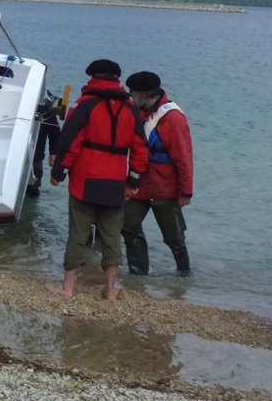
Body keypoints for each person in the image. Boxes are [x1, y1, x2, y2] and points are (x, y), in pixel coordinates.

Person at [49, 59, 149, 300]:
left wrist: (58, 173)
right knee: (112, 237)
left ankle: (68, 287)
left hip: (85, 181)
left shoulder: (83, 105)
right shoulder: (131, 109)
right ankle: (111, 290)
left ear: (92, 77)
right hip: (115, 183)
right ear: (117, 79)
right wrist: (134, 182)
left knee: (78, 234)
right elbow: (140, 149)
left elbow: (70, 142)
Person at [121, 71, 194, 276]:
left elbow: (184, 157)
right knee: (127, 225)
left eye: (132, 93)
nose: (130, 96)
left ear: (143, 94)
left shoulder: (173, 118)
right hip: (141, 186)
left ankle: (184, 273)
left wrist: (186, 191)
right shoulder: (144, 113)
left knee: (174, 237)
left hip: (165, 189)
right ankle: (138, 272)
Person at [26, 91, 61, 198]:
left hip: (35, 159)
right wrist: (54, 153)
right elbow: (55, 131)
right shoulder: (45, 107)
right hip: (33, 158)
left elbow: (54, 131)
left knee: (33, 190)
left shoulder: (44, 107)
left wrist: (54, 152)